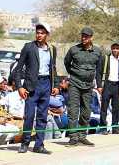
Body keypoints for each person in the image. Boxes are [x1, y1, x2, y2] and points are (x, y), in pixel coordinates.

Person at [12, 23, 59, 154]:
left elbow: (53, 68)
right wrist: (20, 87)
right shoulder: (29, 47)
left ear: (47, 35)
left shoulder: (52, 49)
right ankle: (25, 143)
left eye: (42, 33)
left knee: (43, 116)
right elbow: (18, 69)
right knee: (29, 115)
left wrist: (55, 85)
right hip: (32, 86)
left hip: (46, 84)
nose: (39, 35)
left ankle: (39, 145)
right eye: (38, 32)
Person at [63, 27, 103, 147]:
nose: (84, 38)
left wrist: (99, 85)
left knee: (86, 111)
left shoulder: (97, 51)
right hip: (75, 83)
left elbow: (99, 70)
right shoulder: (74, 50)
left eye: (86, 36)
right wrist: (75, 73)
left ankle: (82, 136)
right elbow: (66, 63)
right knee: (73, 110)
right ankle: (73, 137)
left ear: (91, 37)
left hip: (88, 85)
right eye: (82, 36)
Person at [100, 42, 119, 134]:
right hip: (107, 85)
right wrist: (99, 86)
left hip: (117, 86)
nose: (115, 50)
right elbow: (99, 72)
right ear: (111, 49)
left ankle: (115, 128)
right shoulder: (106, 58)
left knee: (116, 108)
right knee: (104, 107)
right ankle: (103, 128)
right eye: (114, 48)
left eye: (117, 48)